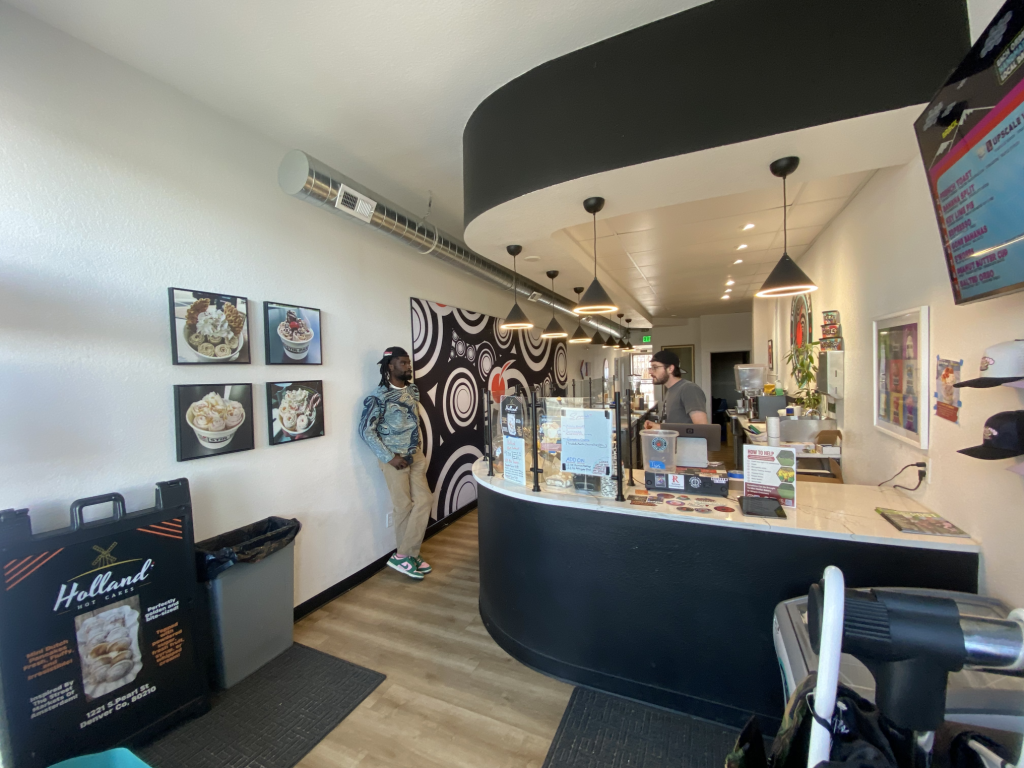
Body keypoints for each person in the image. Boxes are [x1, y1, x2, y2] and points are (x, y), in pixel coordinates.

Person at [359, 346, 433, 581]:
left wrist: (418, 448)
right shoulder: (378, 397)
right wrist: (389, 457)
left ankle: (405, 554)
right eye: (403, 363)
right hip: (394, 460)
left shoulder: (412, 390)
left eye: (408, 362)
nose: (408, 366)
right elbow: (365, 431)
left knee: (424, 500)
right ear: (390, 366)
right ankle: (407, 555)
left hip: (415, 456)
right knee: (403, 506)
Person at [644, 349, 708, 429]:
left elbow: (702, 428)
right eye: (651, 368)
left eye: (655, 367)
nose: (650, 372)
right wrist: (657, 426)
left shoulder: (689, 389)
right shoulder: (670, 390)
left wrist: (661, 427)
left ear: (670, 369)